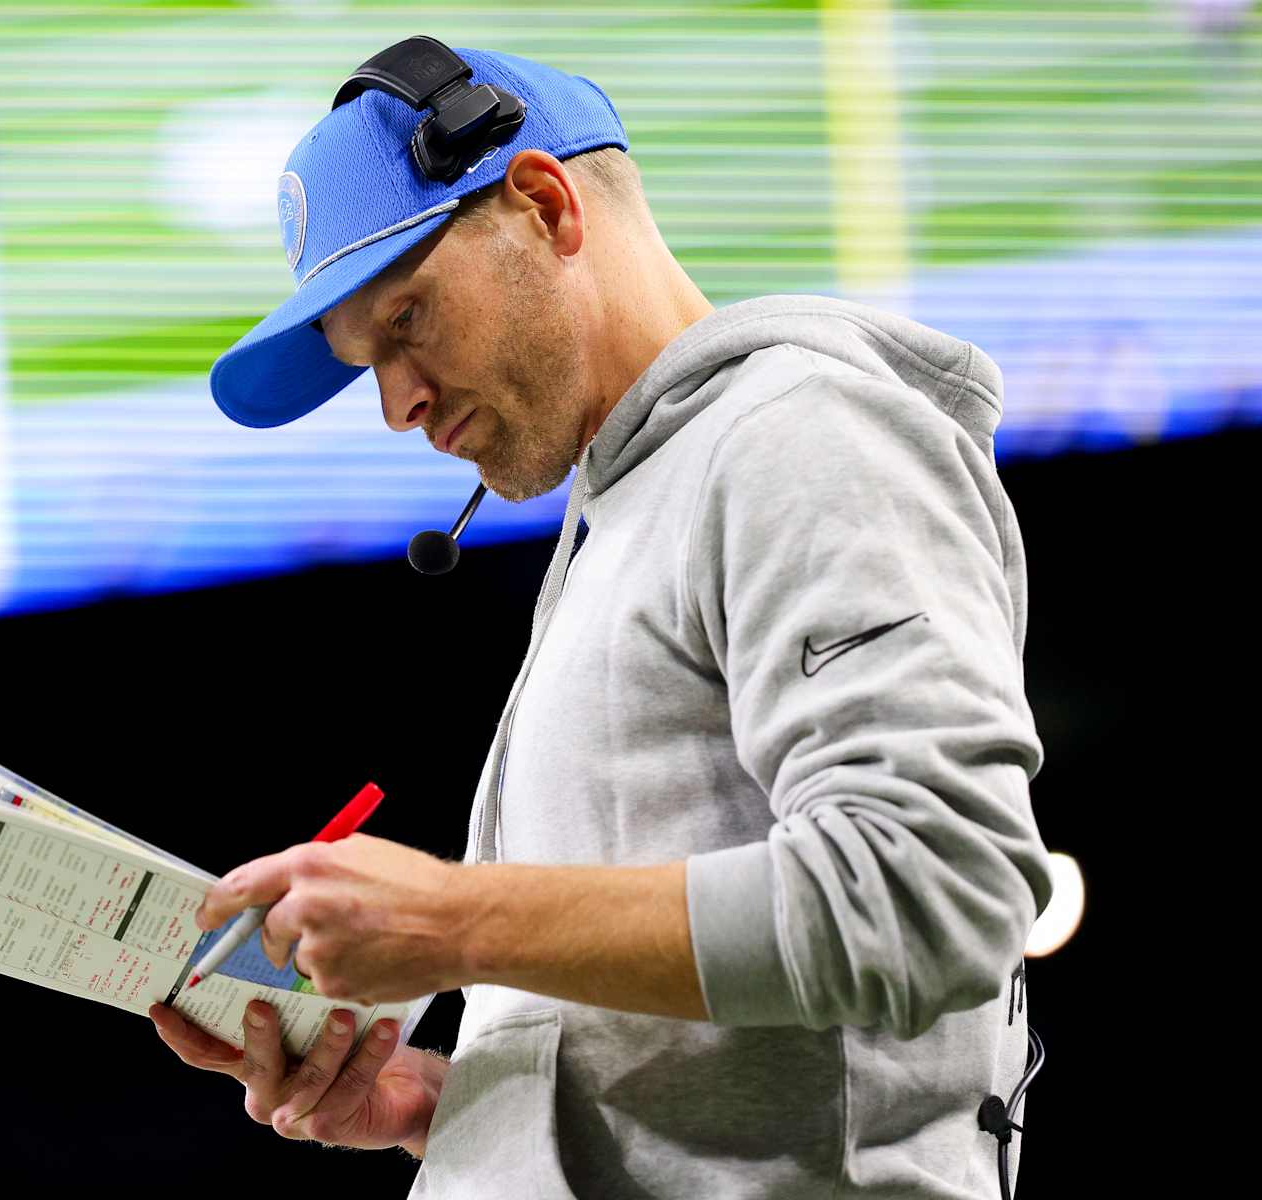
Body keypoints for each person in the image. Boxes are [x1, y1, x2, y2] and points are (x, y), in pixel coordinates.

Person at [149, 39, 1053, 1199]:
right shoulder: (636, 501)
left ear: (542, 203)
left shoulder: (798, 433)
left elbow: (934, 893)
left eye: (407, 319)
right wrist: (460, 1105)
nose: (397, 404)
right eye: (367, 363)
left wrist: (457, 922)